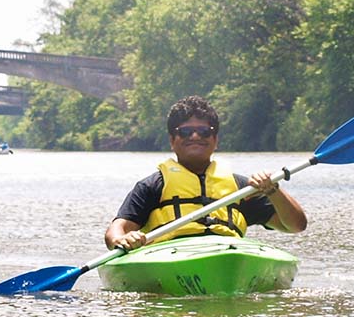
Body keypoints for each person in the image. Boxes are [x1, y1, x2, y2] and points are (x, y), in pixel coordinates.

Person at [105, 95, 307, 251]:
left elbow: (295, 225)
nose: (195, 136)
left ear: (215, 140)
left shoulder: (241, 188)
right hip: (169, 255)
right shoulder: (152, 186)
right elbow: (116, 230)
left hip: (227, 253)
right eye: (185, 132)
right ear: (172, 140)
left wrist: (273, 190)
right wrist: (121, 239)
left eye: (204, 131)